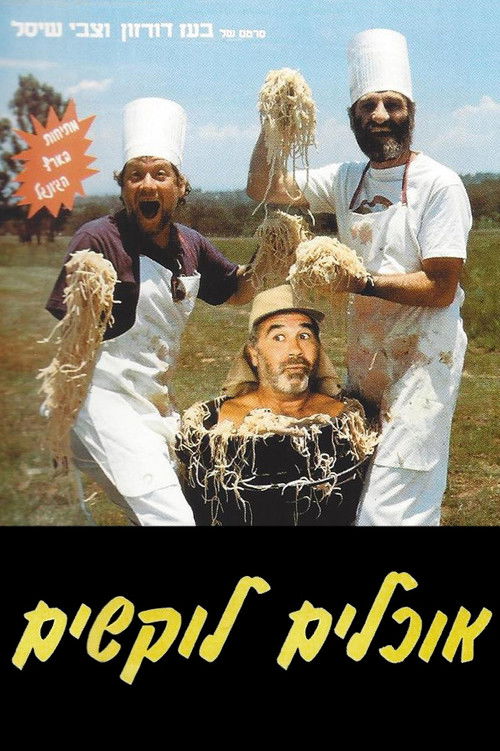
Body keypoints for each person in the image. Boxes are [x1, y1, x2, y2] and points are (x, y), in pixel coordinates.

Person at [246, 29, 472, 526]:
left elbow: (440, 287)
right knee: (363, 489)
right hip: (368, 360)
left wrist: (358, 281)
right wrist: (273, 122)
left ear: (411, 112)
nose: (380, 115)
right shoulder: (349, 178)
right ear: (352, 118)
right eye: (368, 106)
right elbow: (262, 186)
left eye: (392, 104)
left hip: (423, 359)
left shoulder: (439, 185)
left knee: (393, 503)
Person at [46, 97, 254, 526]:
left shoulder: (190, 244)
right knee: (171, 518)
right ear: (123, 187)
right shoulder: (97, 240)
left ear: (180, 186)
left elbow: (235, 291)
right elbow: (69, 332)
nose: (147, 185)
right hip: (101, 403)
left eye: (160, 174)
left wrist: (274, 253)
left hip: (155, 404)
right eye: (135, 175)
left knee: (196, 507)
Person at [176, 285, 378, 526]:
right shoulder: (221, 422)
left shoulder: (344, 418)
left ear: (318, 348)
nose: (295, 350)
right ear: (254, 353)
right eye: (279, 337)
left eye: (304, 336)